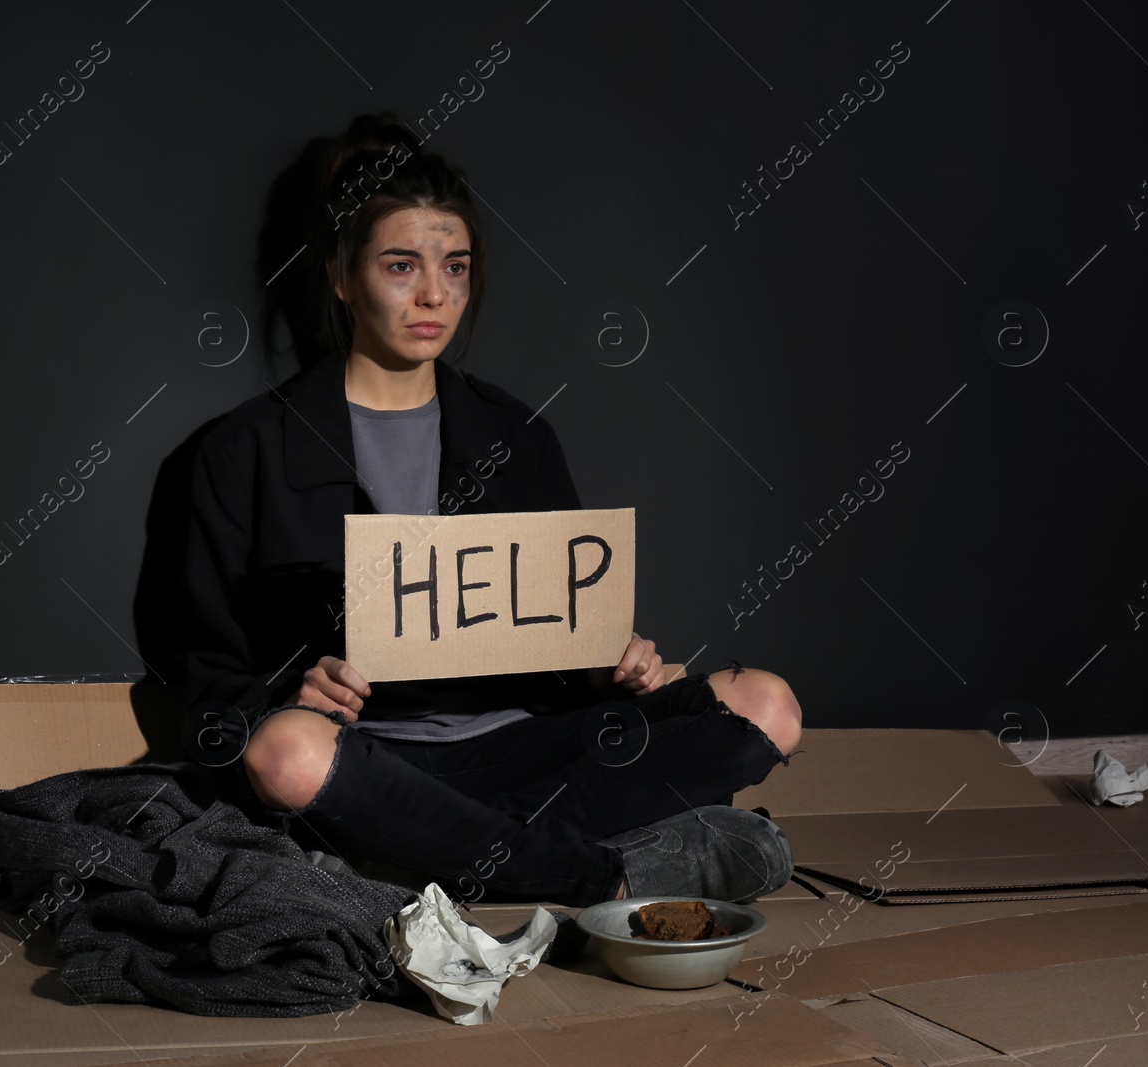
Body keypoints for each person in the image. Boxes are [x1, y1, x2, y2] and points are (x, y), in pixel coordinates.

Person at [174, 114, 801, 908]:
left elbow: (563, 630)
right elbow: (208, 682)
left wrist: (615, 659)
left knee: (766, 704)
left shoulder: (517, 436)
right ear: (340, 275)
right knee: (284, 755)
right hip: (367, 758)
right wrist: (292, 691)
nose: (435, 294)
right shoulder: (245, 450)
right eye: (401, 265)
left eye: (456, 268)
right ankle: (604, 873)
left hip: (525, 751)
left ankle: (419, 855)